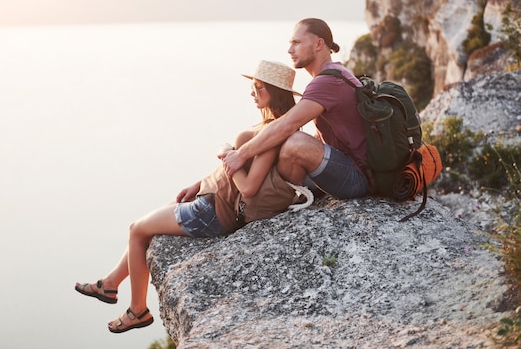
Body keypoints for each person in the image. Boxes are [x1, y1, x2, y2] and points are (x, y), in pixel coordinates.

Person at [75, 60, 304, 334]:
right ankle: (110, 284)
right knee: (151, 222)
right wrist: (200, 183)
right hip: (211, 199)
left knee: (137, 230)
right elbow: (234, 170)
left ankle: (138, 310)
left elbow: (249, 187)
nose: (252, 93)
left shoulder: (272, 132)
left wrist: (225, 154)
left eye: (258, 88)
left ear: (274, 92)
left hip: (212, 212)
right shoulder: (271, 125)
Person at [221, 18, 369, 199]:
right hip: (350, 169)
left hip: (357, 178)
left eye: (296, 43)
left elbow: (286, 125)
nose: (290, 50)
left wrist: (241, 155)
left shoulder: (328, 81)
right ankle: (225, 192)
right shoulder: (333, 74)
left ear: (319, 44)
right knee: (272, 146)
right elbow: (321, 137)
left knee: (293, 142)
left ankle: (275, 199)